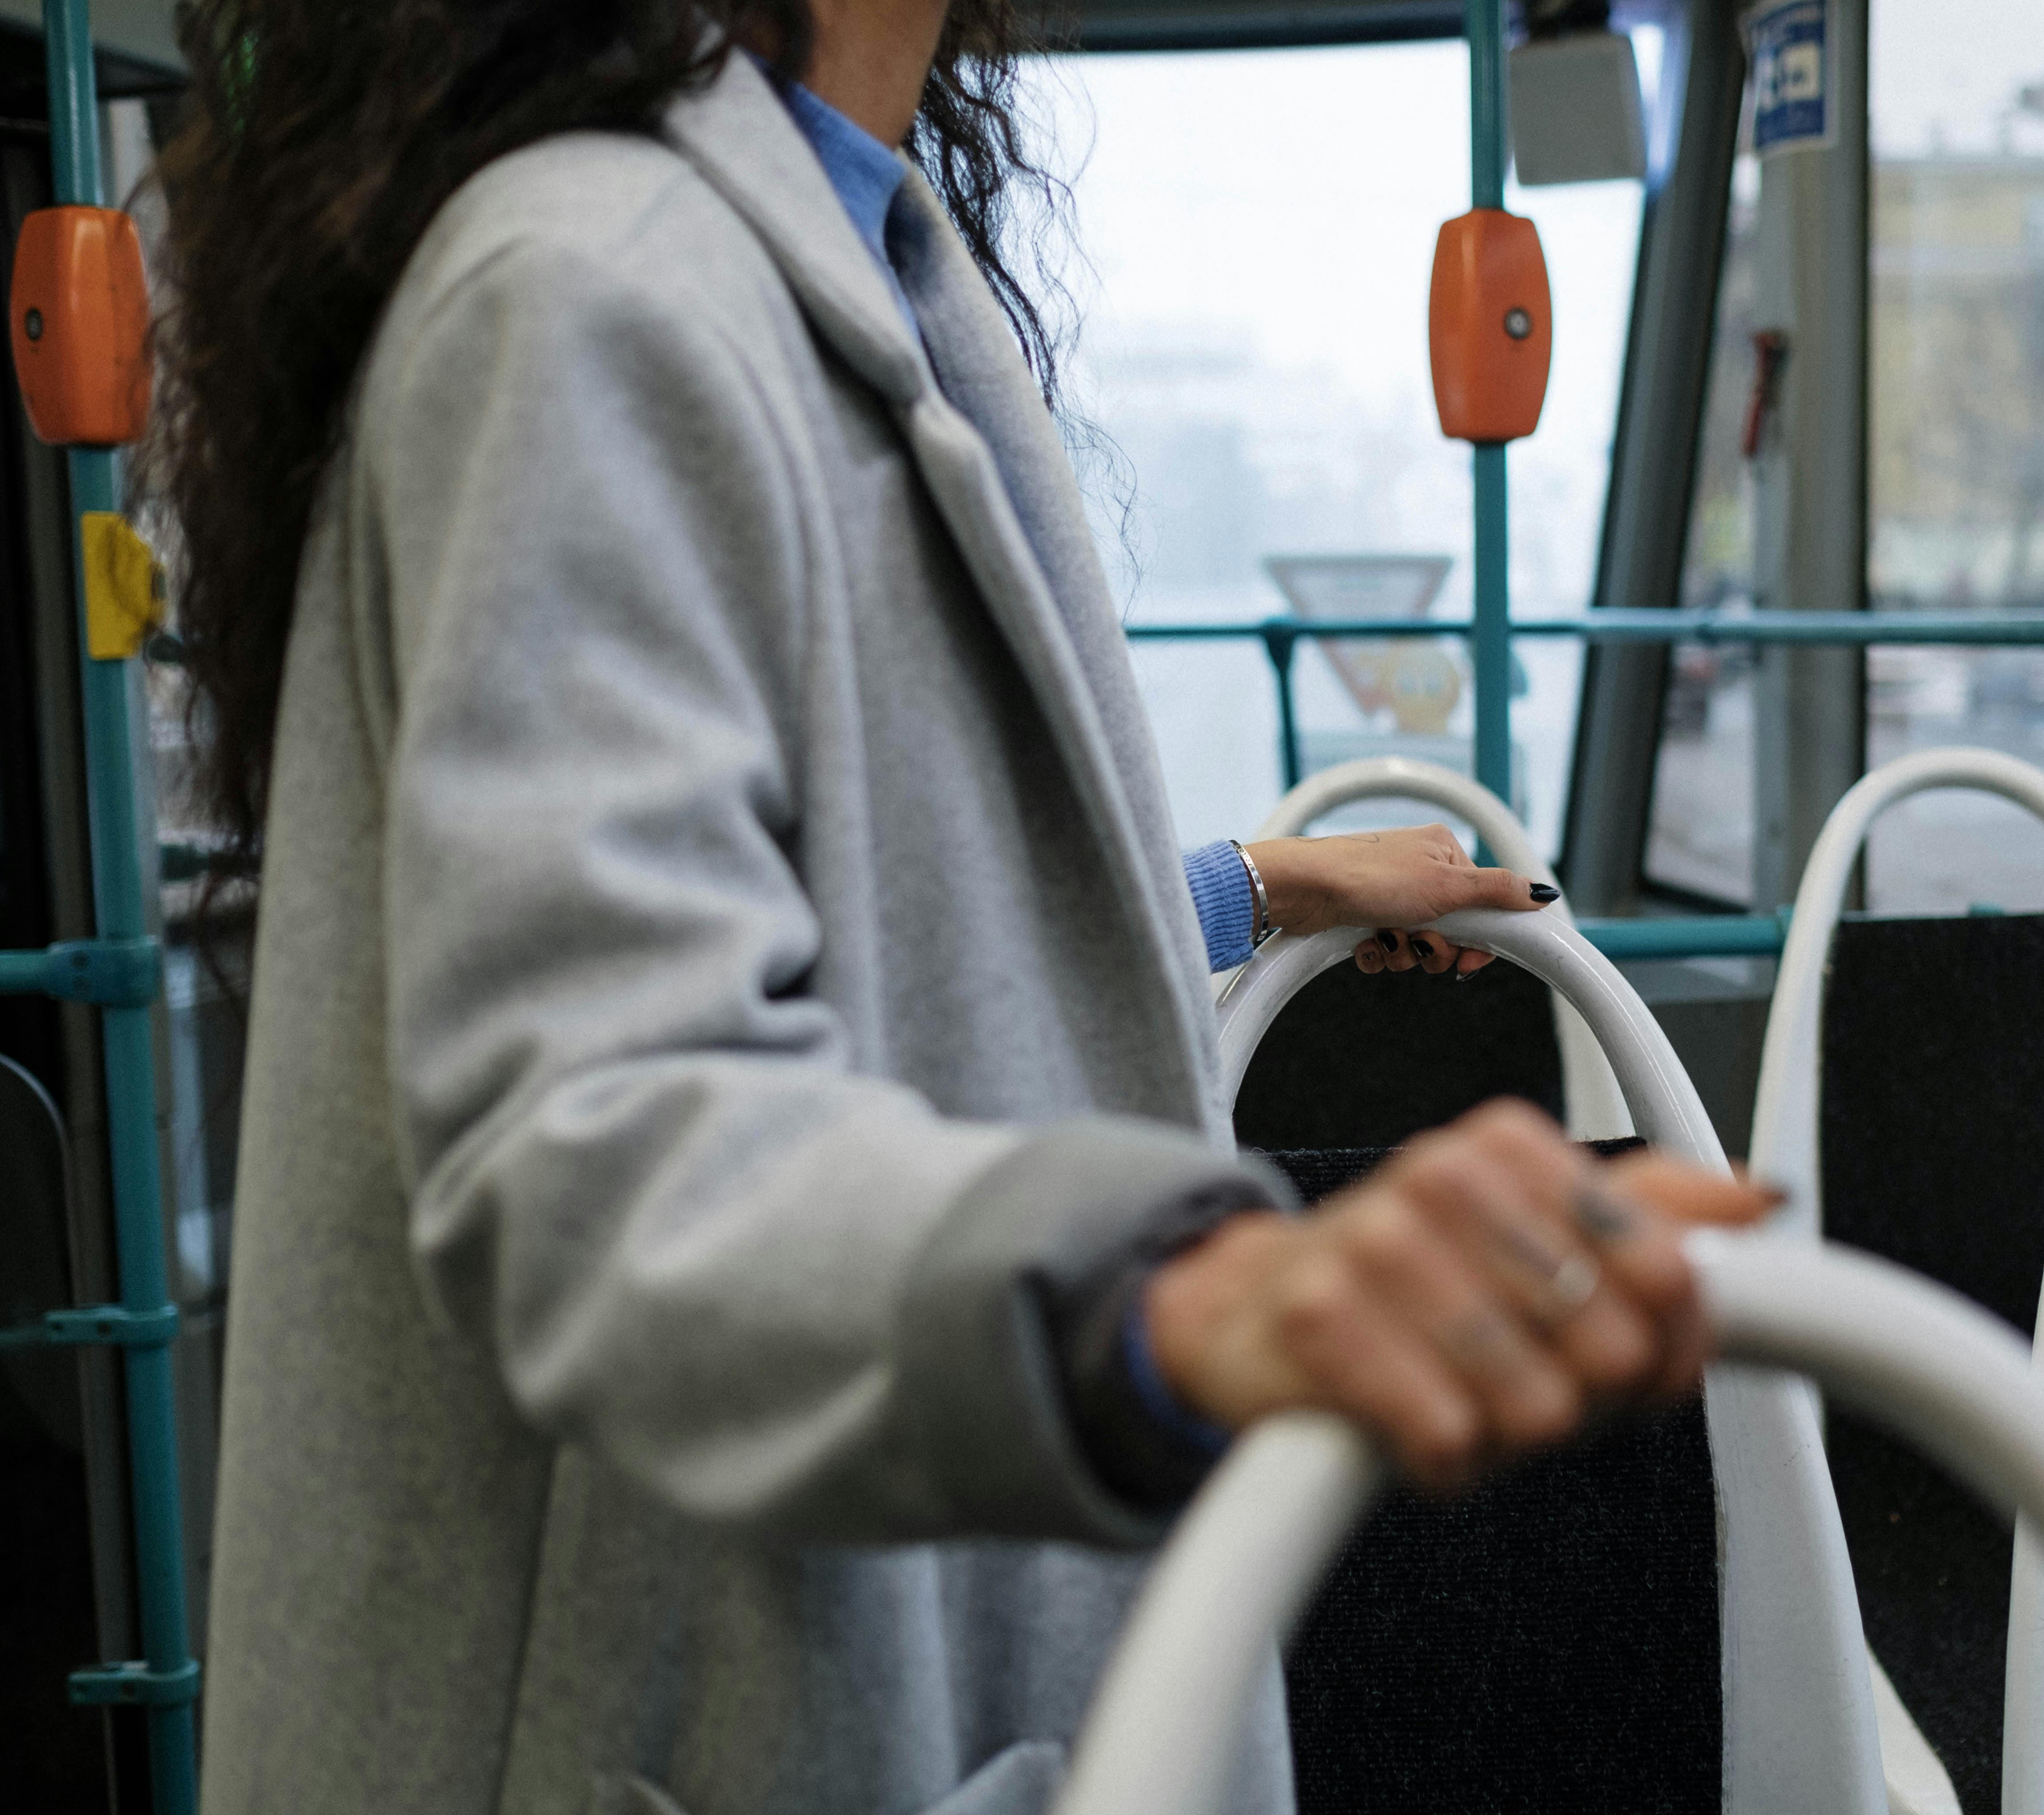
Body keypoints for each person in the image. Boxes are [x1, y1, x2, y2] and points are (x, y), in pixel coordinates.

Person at [153, 2, 1769, 1811]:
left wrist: (1244, 887)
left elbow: (839, 914)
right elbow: (599, 1138)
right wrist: (1177, 1291)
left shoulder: (838, 247)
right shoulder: (587, 293)